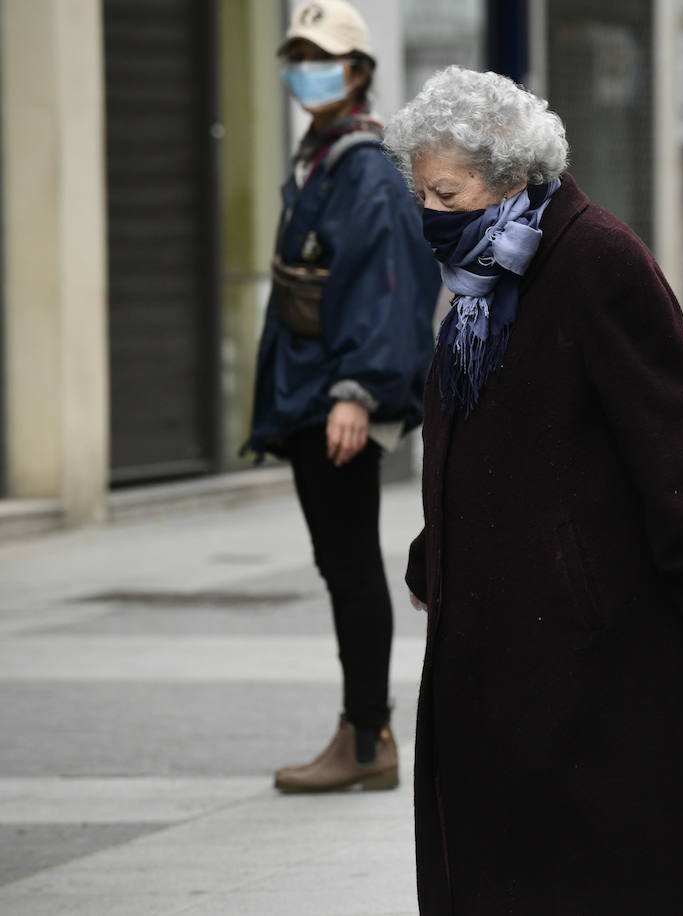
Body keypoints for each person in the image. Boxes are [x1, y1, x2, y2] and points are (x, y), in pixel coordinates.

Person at [386, 67, 683, 914]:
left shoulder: (596, 259)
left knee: (587, 865)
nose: (430, 213)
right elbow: (483, 430)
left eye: (446, 192)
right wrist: (435, 550)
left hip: (589, 628)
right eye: (422, 192)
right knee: (511, 857)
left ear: (510, 177)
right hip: (500, 616)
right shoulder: (486, 278)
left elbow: (670, 430)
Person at [244, 0, 440, 793]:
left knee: (352, 565)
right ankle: (363, 731)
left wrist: (356, 393)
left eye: (322, 56)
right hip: (312, 395)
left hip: (334, 400)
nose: (305, 69)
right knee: (343, 564)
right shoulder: (322, 153)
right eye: (297, 54)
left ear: (358, 72)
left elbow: (389, 289)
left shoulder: (363, 166)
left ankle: (368, 737)